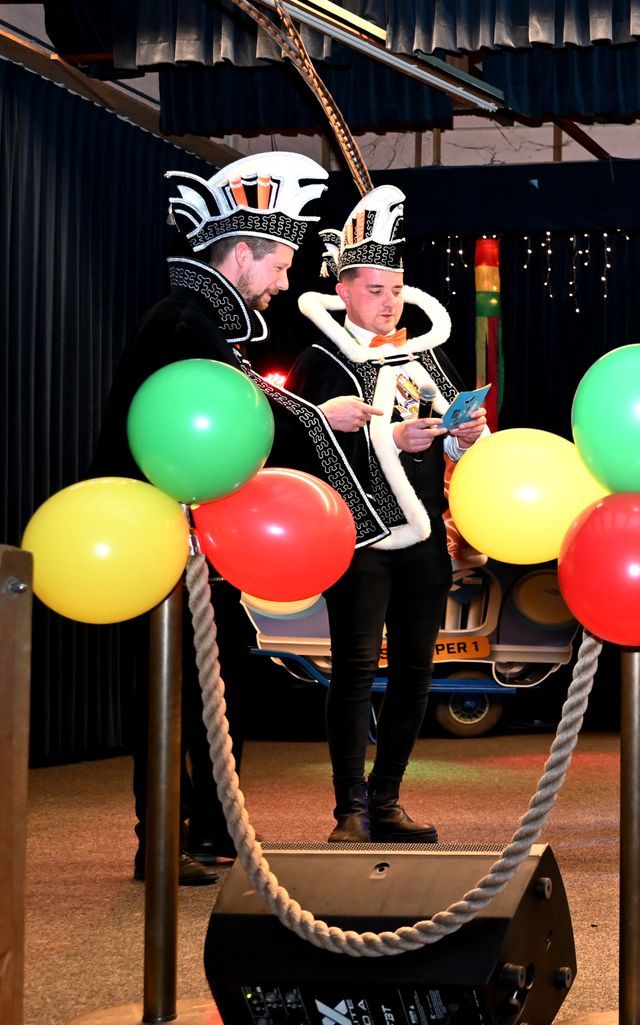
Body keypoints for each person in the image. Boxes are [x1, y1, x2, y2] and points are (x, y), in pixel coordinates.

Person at [91, 152, 349, 883]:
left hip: (189, 540)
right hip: (158, 538)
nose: (284, 282)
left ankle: (206, 829)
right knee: (173, 690)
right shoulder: (185, 324)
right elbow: (239, 412)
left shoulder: (194, 322)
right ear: (241, 255)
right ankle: (168, 838)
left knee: (214, 678)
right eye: (280, 265)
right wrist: (320, 417)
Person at [287, 185, 488, 843]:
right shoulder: (321, 359)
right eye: (376, 290)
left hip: (426, 537)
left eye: (397, 289)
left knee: (415, 673)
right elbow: (304, 449)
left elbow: (454, 433)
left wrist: (465, 433)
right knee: (352, 671)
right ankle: (349, 808)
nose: (389, 302)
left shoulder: (426, 355)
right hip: (358, 537)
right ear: (343, 290)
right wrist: (389, 438)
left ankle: (387, 799)